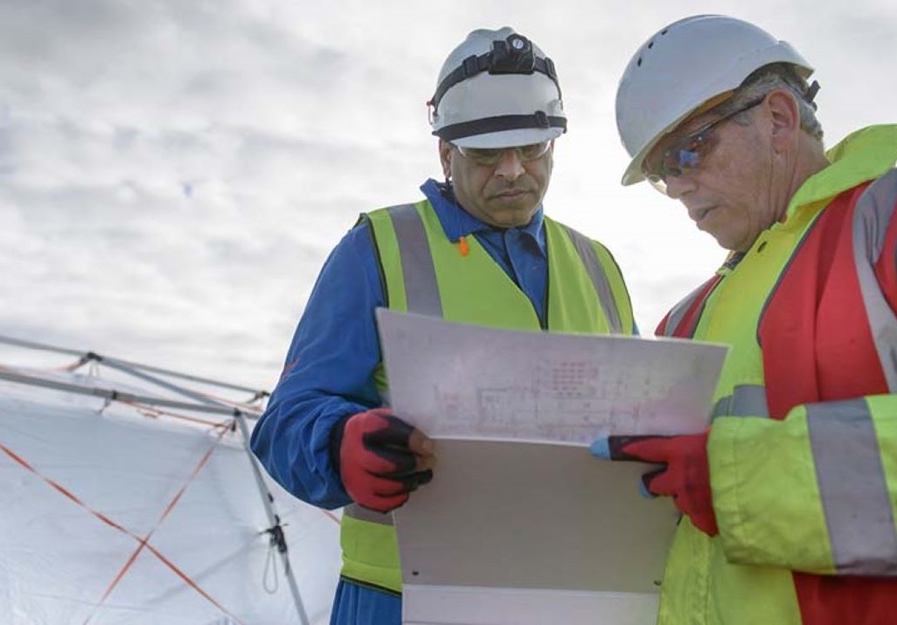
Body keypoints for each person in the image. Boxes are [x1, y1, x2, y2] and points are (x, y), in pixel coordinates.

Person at [594, 13, 897, 625]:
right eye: (663, 173)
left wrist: (738, 479)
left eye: (690, 151)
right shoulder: (682, 322)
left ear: (778, 118)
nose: (681, 185)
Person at [251, 26, 635, 624]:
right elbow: (284, 424)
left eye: (532, 149)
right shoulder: (376, 249)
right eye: (486, 154)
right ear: (445, 152)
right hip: (400, 600)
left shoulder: (600, 266)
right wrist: (339, 445)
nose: (513, 171)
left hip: (570, 593)